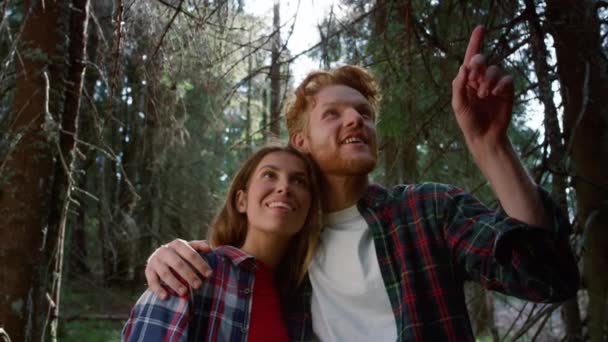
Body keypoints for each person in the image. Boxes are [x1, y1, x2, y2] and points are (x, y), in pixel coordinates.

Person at [142, 26, 579, 341]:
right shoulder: (291, 251)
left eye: (364, 113)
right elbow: (234, 272)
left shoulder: (427, 211)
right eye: (332, 114)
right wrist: (166, 256)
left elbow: (548, 277)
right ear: (302, 142)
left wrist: (491, 148)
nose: (356, 118)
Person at [122, 145, 322, 341]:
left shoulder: (306, 297)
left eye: (299, 181)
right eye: (269, 175)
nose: (284, 187)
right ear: (241, 201)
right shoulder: (190, 272)